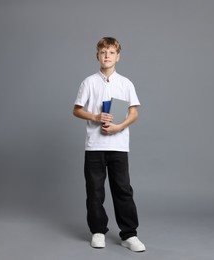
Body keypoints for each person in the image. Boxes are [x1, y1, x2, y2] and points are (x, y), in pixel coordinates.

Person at [73, 37, 146, 252]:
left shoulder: (126, 83)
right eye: (103, 52)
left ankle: (129, 234)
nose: (107, 56)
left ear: (118, 56)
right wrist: (95, 117)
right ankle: (97, 231)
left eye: (111, 52)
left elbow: (134, 112)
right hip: (94, 145)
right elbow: (76, 109)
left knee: (123, 190)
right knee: (95, 191)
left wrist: (119, 126)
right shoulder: (88, 82)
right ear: (97, 55)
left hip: (119, 144)